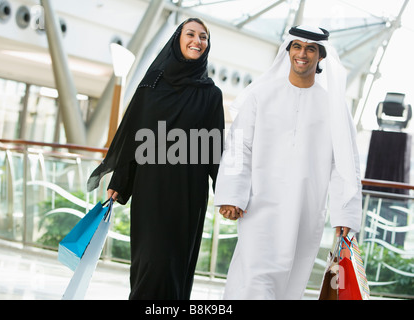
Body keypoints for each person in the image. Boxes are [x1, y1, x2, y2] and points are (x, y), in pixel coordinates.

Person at [213, 25, 362, 299]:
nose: (302, 53)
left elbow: (345, 164)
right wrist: (232, 195)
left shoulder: (334, 107)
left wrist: (344, 214)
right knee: (254, 281)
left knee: (290, 284)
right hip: (259, 208)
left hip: (305, 213)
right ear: (288, 50)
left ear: (320, 56)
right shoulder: (261, 95)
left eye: (310, 48)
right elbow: (239, 146)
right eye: (297, 46)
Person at [87, 18, 224, 300]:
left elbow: (215, 151)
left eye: (203, 37)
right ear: (177, 39)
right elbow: (135, 137)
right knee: (149, 263)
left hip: (188, 195)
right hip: (151, 190)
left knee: (174, 266)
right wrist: (122, 182)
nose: (197, 41)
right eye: (191, 34)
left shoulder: (211, 95)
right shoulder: (151, 87)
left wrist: (227, 193)